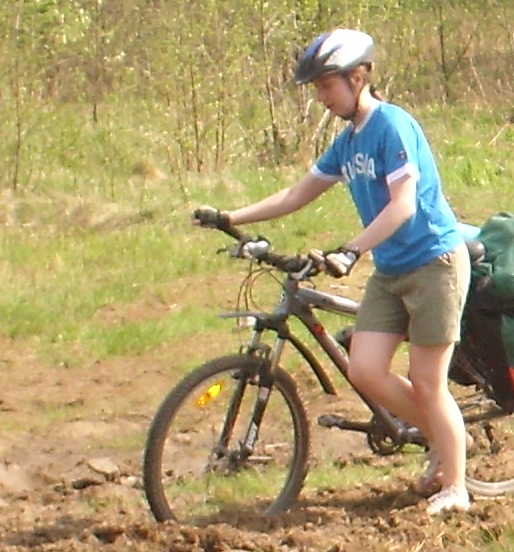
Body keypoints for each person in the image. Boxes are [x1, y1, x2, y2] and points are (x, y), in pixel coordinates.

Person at [197, 29, 474, 514]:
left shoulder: (392, 125)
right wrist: (230, 217)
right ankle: (446, 437)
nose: (321, 97)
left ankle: (456, 486)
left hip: (435, 263)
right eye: (318, 88)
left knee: (427, 381)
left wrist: (351, 250)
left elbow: (404, 205)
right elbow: (298, 193)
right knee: (364, 369)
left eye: (327, 86)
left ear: (358, 78)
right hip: (392, 268)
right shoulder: (347, 143)